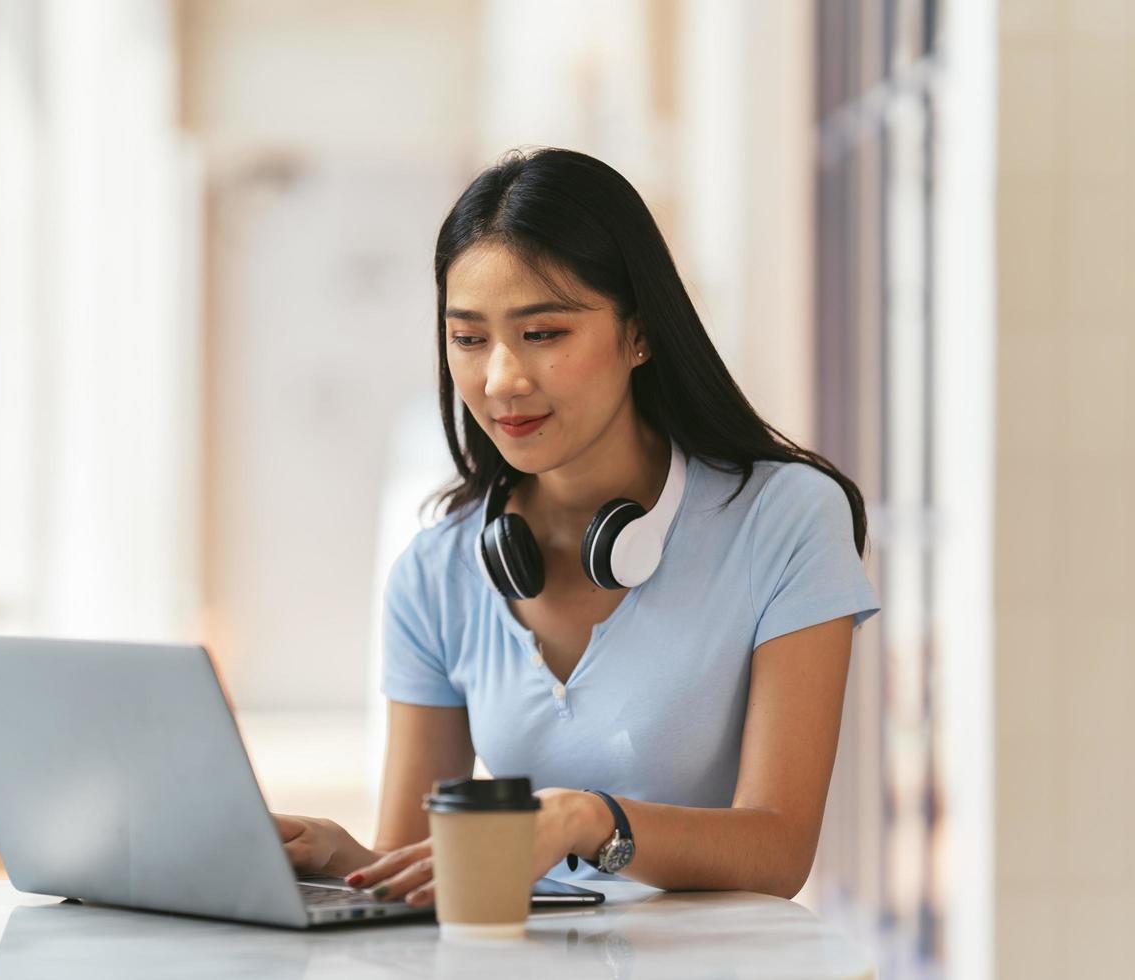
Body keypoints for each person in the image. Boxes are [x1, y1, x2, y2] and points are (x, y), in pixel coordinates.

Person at [273, 147, 881, 909]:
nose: (501, 381)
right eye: (468, 339)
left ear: (639, 334)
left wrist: (589, 821)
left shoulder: (784, 518)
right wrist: (343, 857)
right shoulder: (436, 572)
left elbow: (779, 847)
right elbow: (415, 872)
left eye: (543, 333)